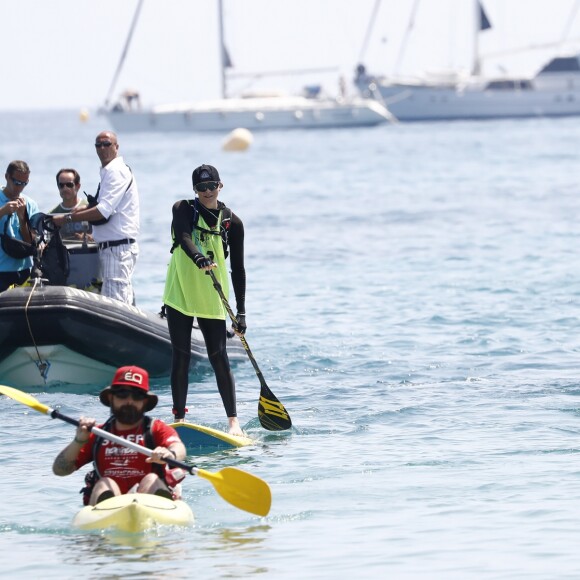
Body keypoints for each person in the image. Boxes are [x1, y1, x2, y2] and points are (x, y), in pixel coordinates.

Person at [163, 164, 246, 436]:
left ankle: (233, 421)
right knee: (181, 355)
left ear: (220, 186)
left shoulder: (232, 222)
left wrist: (241, 312)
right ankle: (179, 418)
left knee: (218, 356)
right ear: (195, 190)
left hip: (213, 293)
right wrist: (198, 257)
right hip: (181, 291)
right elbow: (185, 237)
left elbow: (239, 269)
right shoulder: (183, 209)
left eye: (212, 186)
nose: (207, 191)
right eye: (201, 187)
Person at [52, 365, 186, 506]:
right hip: (112, 506)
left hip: (148, 501)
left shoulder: (156, 429)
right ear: (111, 398)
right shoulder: (97, 434)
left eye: (137, 395)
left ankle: (160, 511)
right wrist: (78, 441)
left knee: (152, 479)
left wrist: (169, 454)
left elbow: (179, 448)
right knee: (105, 483)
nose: (129, 401)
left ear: (145, 401)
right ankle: (104, 513)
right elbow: (59, 470)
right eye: (122, 394)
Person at [51, 131, 139, 304]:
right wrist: (82, 209)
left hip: (118, 248)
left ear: (116, 147)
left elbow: (103, 211)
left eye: (107, 144)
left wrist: (67, 218)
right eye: (98, 145)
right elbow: (102, 205)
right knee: (113, 301)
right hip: (111, 249)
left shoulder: (116, 172)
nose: (102, 148)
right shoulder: (107, 172)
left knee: (116, 304)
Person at [0, 160, 40, 292]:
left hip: (23, 270)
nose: (20, 187)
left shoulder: (30, 204)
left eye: (24, 183)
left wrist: (22, 219)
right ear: (7, 177)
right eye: (16, 182)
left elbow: (30, 241)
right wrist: (3, 212)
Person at [49, 168, 92, 241]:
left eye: (69, 185)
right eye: (61, 185)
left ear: (78, 186)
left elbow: (104, 234)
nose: (65, 188)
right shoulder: (52, 214)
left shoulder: (91, 209)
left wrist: (89, 237)